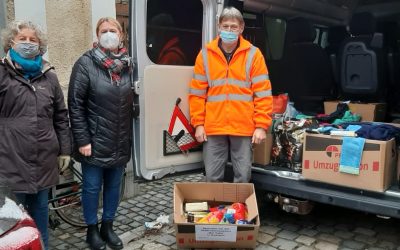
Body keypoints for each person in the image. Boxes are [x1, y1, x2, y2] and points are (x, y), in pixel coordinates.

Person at [0, 20, 71, 250]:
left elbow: (60, 115)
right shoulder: (2, 73)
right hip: (10, 164)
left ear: (40, 46)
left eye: (33, 40)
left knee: (40, 221)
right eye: (23, 39)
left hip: (43, 163)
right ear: (11, 42)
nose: (28, 43)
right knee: (13, 227)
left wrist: (65, 150)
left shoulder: (48, 76)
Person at [68, 17, 134, 250]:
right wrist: (83, 140)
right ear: (97, 36)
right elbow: (75, 105)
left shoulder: (127, 65)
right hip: (93, 142)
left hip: (119, 139)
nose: (108, 34)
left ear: (121, 35)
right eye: (104, 31)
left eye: (113, 30)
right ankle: (92, 229)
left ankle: (108, 226)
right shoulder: (85, 64)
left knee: (114, 187)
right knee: (92, 188)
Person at [189, 7, 273, 183]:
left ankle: (237, 210)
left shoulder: (254, 55)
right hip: (213, 127)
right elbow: (197, 94)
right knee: (211, 177)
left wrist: (261, 126)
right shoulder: (205, 54)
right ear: (219, 27)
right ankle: (215, 210)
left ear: (241, 28)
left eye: (233, 27)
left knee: (243, 177)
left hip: (242, 127)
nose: (229, 30)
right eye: (225, 26)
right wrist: (198, 124)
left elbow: (263, 93)